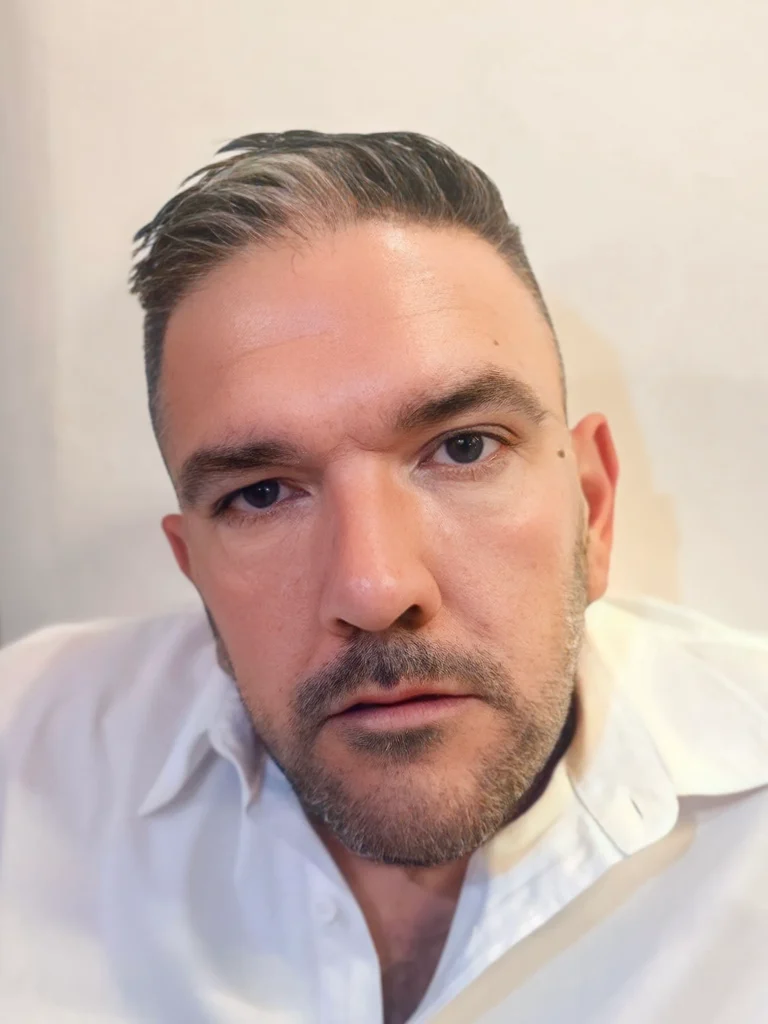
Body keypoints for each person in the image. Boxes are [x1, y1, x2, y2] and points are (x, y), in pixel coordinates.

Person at [0, 131, 766, 1024]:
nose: (374, 590)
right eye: (261, 494)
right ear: (194, 568)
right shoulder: (26, 748)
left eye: (463, 448)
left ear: (591, 509)